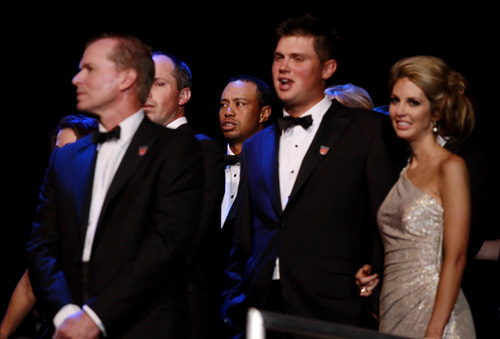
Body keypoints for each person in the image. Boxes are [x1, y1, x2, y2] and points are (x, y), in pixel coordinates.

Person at [221, 14, 406, 338]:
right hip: (261, 310)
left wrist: (375, 297)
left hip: (335, 309)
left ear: (327, 68)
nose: (284, 67)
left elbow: (386, 221)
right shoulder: (256, 145)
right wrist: (234, 301)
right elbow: (243, 238)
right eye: (279, 57)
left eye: (298, 58)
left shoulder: (365, 131)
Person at [26, 33, 204, 338]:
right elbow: (41, 245)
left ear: (126, 78)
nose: (76, 79)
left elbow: (167, 244)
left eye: (90, 69)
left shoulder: (176, 150)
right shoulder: (65, 159)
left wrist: (94, 317)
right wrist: (67, 313)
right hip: (68, 326)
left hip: (144, 325)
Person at [356, 55, 476, 338]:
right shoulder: (404, 170)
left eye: (413, 102)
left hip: (436, 316)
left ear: (436, 112)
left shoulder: (450, 167)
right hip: (392, 309)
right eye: (396, 100)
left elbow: (456, 257)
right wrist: (372, 278)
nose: (399, 110)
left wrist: (435, 331)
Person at [143, 50, 225, 339]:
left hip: (173, 308)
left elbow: (189, 236)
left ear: (183, 96)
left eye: (159, 84)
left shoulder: (200, 149)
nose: (146, 92)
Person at [0, 114, 98, 339]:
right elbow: (29, 285)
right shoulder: (56, 207)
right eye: (57, 150)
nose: (60, 157)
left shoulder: (112, 207)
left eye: (70, 148)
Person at [215, 75, 272, 334]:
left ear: (264, 113)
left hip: (252, 303)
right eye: (223, 104)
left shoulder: (275, 170)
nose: (228, 111)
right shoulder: (204, 163)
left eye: (239, 104)